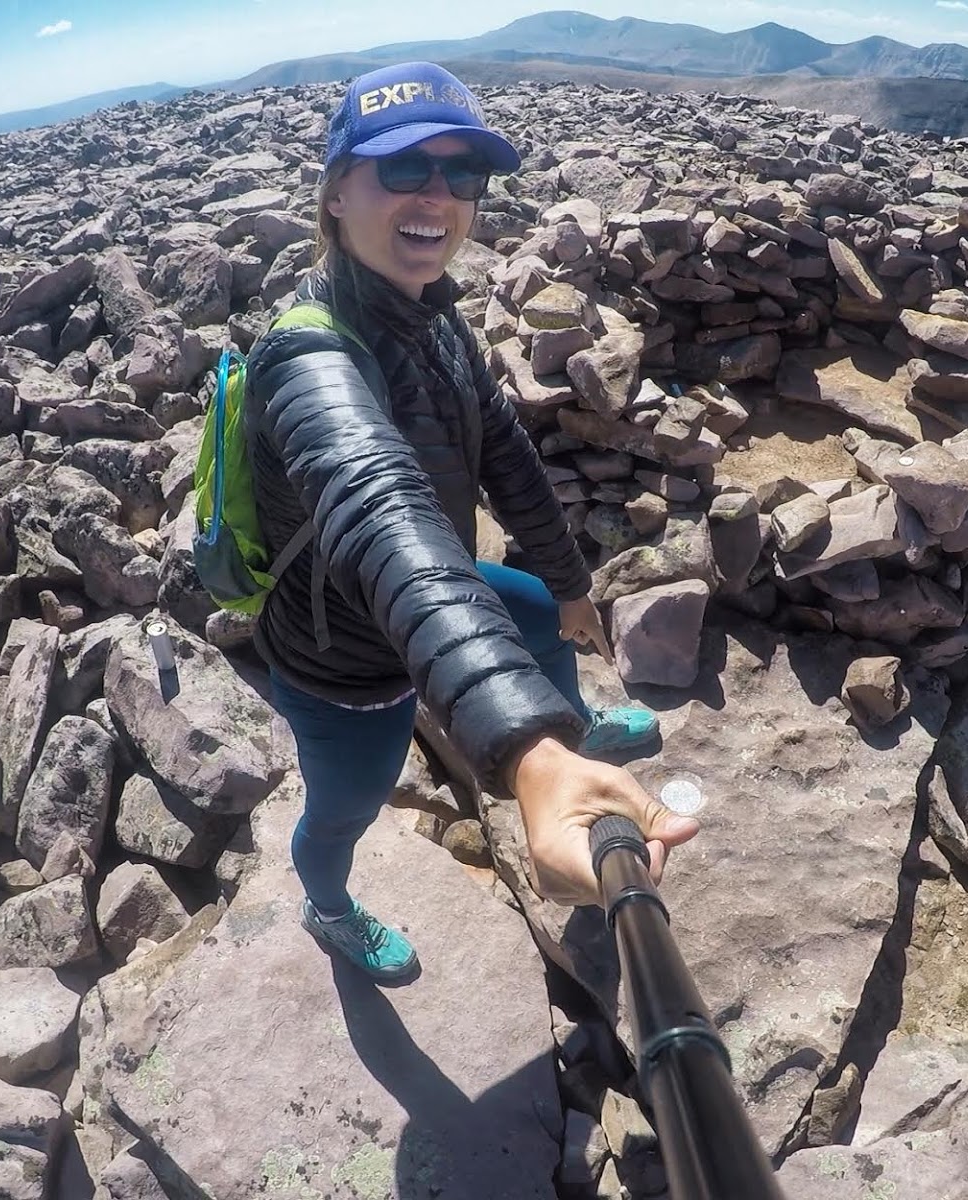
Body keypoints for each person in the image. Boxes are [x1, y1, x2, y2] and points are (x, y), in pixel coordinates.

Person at [244, 62, 701, 982]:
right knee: (350, 800)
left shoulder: (432, 318)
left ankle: (569, 714)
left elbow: (501, 450)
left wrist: (572, 582)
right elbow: (381, 512)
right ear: (335, 192)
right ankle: (327, 906)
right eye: (405, 169)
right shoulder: (305, 358)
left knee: (535, 611)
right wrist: (527, 758)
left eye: (464, 176)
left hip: (436, 589)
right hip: (346, 658)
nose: (439, 197)